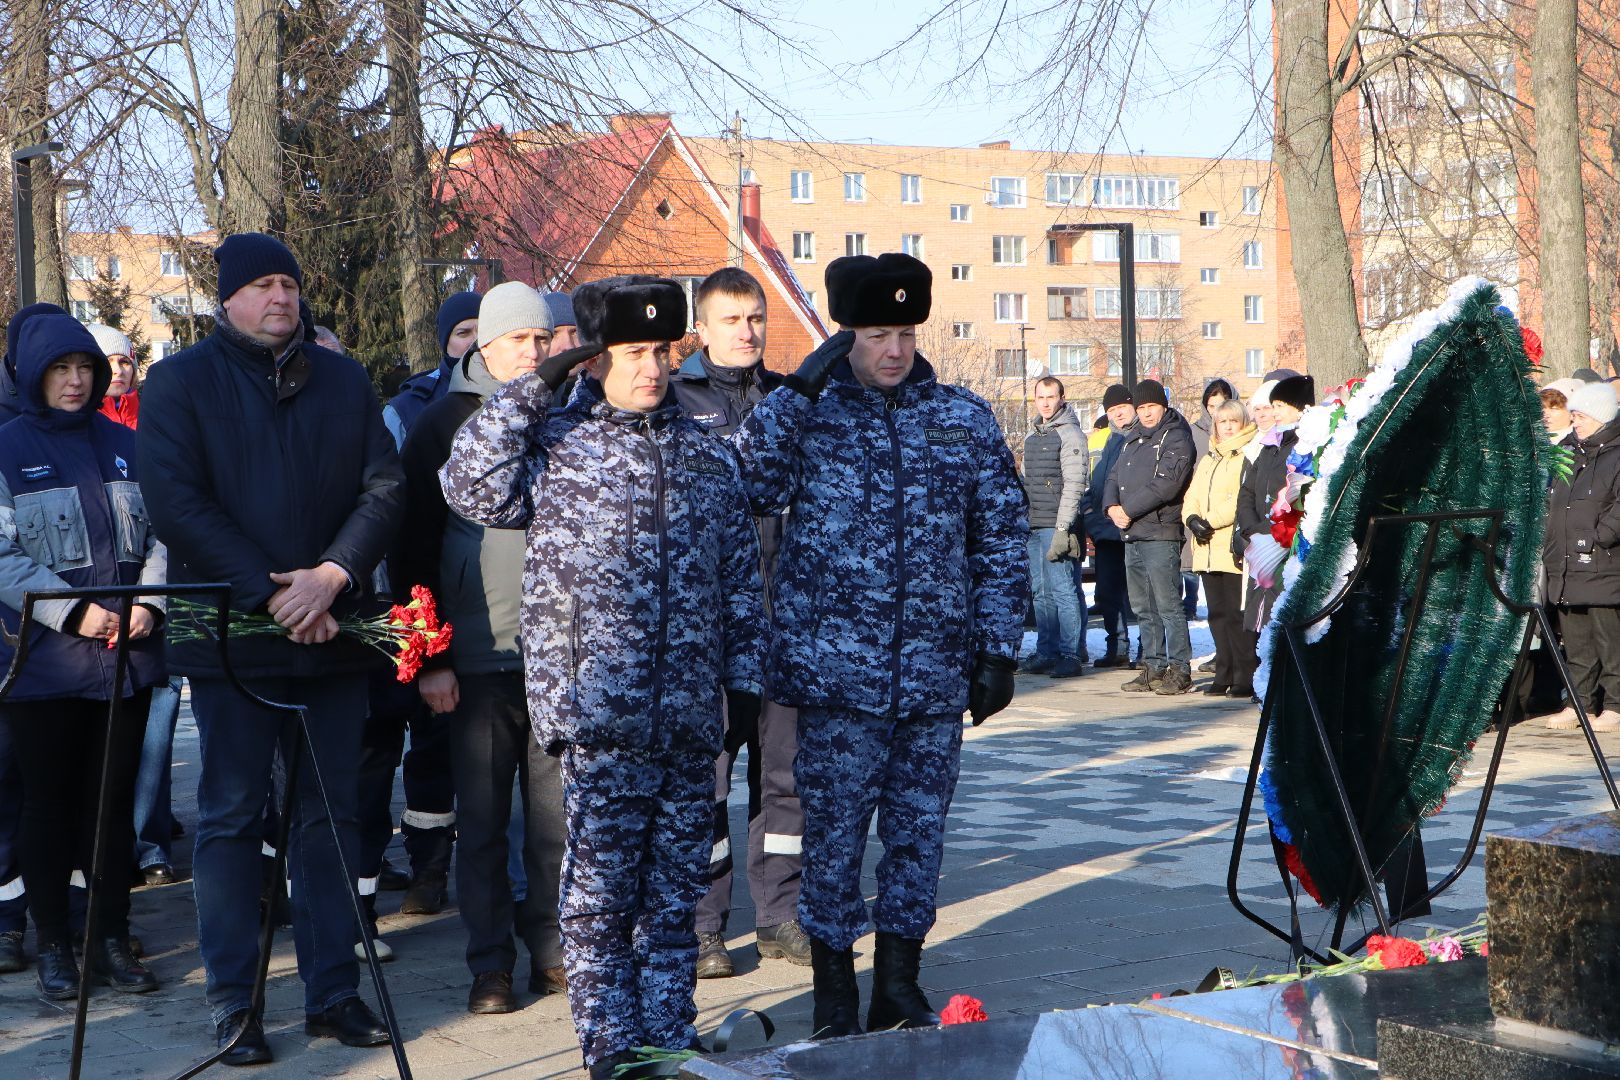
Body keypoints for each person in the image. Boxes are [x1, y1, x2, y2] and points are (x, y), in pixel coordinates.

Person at [441, 274, 766, 1079]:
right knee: (596, 902)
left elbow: (739, 577)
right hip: (597, 719)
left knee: (675, 898)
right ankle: (614, 1051)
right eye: (630, 353)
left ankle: (665, 1041)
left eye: (661, 350)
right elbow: (467, 482)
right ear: (593, 359)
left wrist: (746, 683)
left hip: (690, 715)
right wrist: (532, 388)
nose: (651, 368)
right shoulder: (558, 446)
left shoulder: (705, 453)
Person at [732, 252, 1028, 1039]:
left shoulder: (961, 418)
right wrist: (796, 391)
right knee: (831, 843)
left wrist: (997, 649)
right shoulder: (811, 414)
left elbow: (999, 539)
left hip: (932, 678)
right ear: (843, 335)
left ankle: (899, 982)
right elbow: (751, 484)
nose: (892, 349)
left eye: (903, 331)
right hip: (835, 680)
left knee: (917, 838)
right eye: (872, 333)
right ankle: (834, 994)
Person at [139, 233, 403, 1064]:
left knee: (332, 816)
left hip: (335, 633)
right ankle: (235, 1005)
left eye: (287, 281)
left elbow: (384, 485)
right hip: (233, 639)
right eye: (259, 284)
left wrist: (331, 576)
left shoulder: (345, 378)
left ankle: (332, 992)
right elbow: (177, 504)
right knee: (228, 818)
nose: (278, 297)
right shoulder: (179, 382)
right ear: (226, 300)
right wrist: (275, 593)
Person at [395, 281, 569, 1014]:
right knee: (486, 824)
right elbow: (411, 547)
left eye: (541, 339)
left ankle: (555, 953)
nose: (531, 352)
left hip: (558, 659)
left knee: (556, 829)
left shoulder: (572, 415)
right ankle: (489, 966)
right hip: (474, 659)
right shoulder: (443, 421)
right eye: (516, 340)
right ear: (485, 345)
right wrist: (428, 659)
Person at [0, 314, 167, 1002]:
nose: (74, 381)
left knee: (111, 805)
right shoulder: (7, 449)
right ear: (35, 375)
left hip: (126, 662)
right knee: (46, 809)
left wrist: (149, 604)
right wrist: (73, 611)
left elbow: (164, 535)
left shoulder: (128, 444)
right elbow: (2, 556)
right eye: (61, 369)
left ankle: (109, 935)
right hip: (44, 666)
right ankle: (55, 945)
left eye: (84, 370)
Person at [671, 267, 811, 977]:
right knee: (707, 783)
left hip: (783, 630)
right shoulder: (671, 399)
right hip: (711, 634)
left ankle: (780, 917)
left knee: (784, 780)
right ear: (702, 327)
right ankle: (702, 927)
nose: (748, 331)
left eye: (755, 318)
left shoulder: (790, 399)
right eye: (732, 319)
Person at [85, 323, 185, 888]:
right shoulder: (80, 431)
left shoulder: (155, 423)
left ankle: (150, 843)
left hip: (155, 601)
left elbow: (166, 521)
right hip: (93, 613)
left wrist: (151, 601)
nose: (119, 369)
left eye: (125, 360)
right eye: (109, 361)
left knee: (158, 728)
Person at [1107, 379, 1196, 695]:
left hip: (1160, 532)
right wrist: (1111, 506)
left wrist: (1127, 509)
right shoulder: (1133, 438)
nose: (1146, 413)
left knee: (1168, 604)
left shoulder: (1176, 437)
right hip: (1133, 534)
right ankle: (1154, 666)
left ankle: (1180, 669)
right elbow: (1114, 476)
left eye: (1151, 407)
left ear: (1163, 406)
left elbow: (1166, 485)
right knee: (1143, 606)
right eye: (1141, 407)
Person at [1542, 382, 1620, 732]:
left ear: (1601, 416)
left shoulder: (1616, 452)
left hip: (1605, 562)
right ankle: (1579, 704)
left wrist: (1599, 537)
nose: (1575, 422)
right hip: (1565, 562)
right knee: (1576, 641)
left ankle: (1616, 706)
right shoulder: (1566, 450)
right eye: (1573, 415)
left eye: (1581, 416)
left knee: (1610, 639)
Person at [1183, 398, 1259, 697]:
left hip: (1230, 546)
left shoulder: (1247, 455)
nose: (1227, 427)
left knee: (1236, 614)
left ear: (1242, 424)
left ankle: (1245, 673)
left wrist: (1209, 521)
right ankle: (1223, 669)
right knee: (1216, 614)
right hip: (1206, 546)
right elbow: (1193, 494)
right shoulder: (1209, 458)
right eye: (1222, 422)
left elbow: (1240, 499)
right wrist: (1191, 518)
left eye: (1233, 422)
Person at [1019, 376, 1089, 678]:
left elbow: (1075, 483)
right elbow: (1025, 480)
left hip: (1057, 525)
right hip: (1034, 524)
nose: (1045, 403)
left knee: (1063, 590)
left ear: (1062, 398)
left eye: (1051, 397)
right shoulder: (1032, 436)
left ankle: (1070, 653)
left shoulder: (1070, 434)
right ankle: (1046, 651)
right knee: (1040, 592)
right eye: (1040, 397)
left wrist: (1063, 528)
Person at [1237, 373, 1314, 640]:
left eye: (1280, 405)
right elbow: (1248, 489)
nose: (1274, 412)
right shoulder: (1270, 445)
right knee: (1256, 621)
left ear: (1300, 408)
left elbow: (1297, 498)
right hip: (1259, 540)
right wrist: (1249, 527)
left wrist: (1264, 531)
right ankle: (1254, 678)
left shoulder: (1305, 446)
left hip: (1282, 544)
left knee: (1275, 620)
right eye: (1273, 405)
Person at [382, 290, 482, 448]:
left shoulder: (516, 389)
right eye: (463, 333)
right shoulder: (406, 408)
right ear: (445, 342)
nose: (477, 341)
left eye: (484, 331)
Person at [1084, 385, 1137, 668]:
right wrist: (1091, 513)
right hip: (1106, 532)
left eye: (1121, 407)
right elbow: (1096, 485)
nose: (1117, 413)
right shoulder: (1110, 442)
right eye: (1111, 410)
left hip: (1136, 528)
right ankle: (1116, 646)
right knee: (1107, 592)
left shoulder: (1143, 436)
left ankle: (1149, 650)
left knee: (1142, 595)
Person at [1185, 379, 1235, 624]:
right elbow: (1191, 481)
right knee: (1213, 600)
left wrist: (1211, 519)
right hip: (1199, 522)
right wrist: (1193, 516)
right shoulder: (1196, 433)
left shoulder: (1242, 439)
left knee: (1231, 604)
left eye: (1222, 404)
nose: (1217, 411)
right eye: (1211, 405)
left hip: (1226, 526)